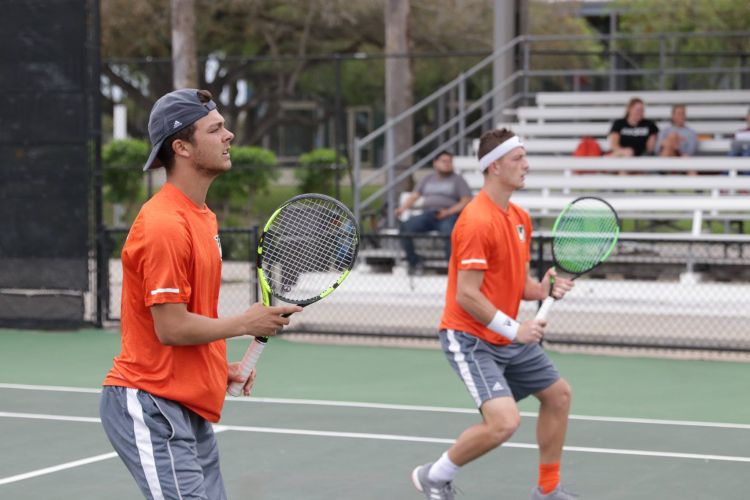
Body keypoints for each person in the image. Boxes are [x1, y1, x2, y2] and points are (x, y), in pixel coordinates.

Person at [99, 88, 302, 500]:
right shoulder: (163, 225)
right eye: (216, 129)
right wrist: (246, 322)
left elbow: (190, 317)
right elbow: (171, 327)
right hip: (152, 404)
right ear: (182, 147)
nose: (228, 136)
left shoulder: (202, 217)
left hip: (184, 404)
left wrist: (214, 366)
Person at [411, 129, 575, 500]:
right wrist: (516, 328)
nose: (526, 165)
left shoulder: (519, 217)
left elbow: (517, 285)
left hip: (506, 336)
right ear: (494, 166)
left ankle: (548, 489)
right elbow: (466, 295)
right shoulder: (475, 221)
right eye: (518, 158)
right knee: (504, 423)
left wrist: (545, 287)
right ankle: (434, 476)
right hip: (469, 337)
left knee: (559, 396)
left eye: (525, 157)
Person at [394, 151, 472, 273]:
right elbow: (415, 195)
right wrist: (402, 208)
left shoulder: (458, 180)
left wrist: (448, 212)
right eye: (444, 161)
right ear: (435, 163)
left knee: (450, 233)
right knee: (405, 227)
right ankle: (415, 262)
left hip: (449, 216)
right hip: (429, 215)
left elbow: (466, 200)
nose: (448, 164)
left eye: (450, 162)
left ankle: (450, 265)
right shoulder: (427, 179)